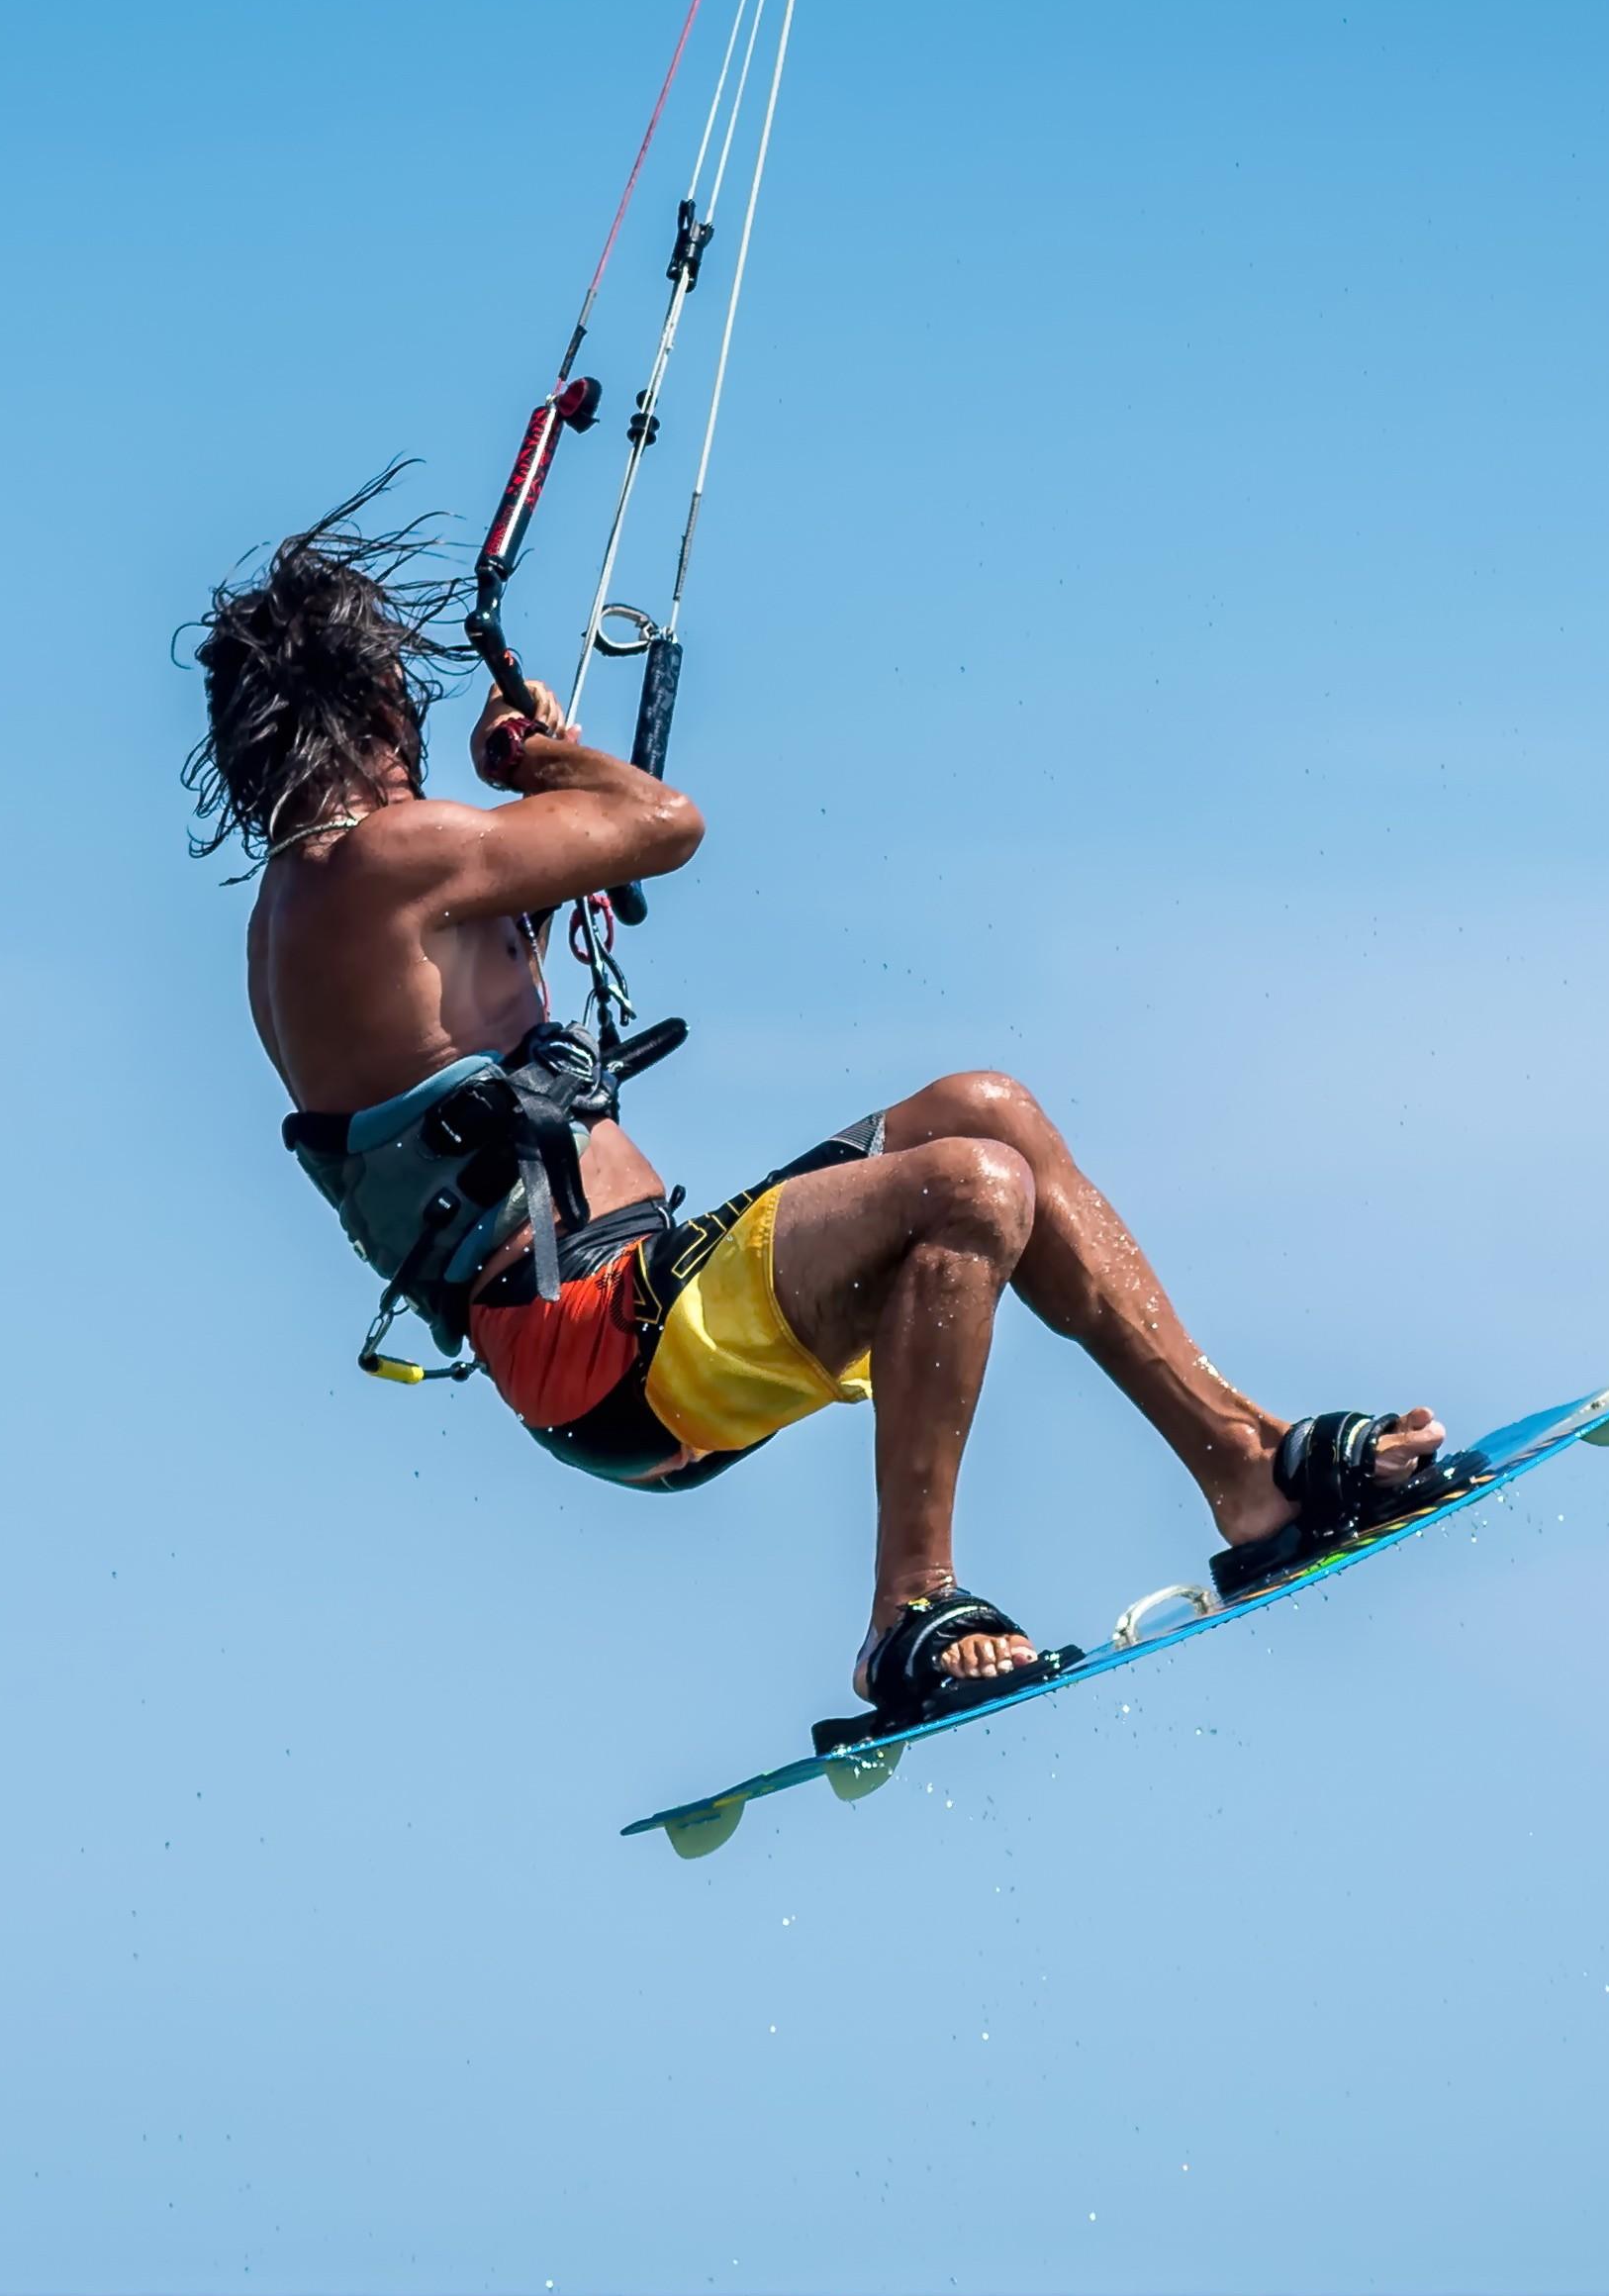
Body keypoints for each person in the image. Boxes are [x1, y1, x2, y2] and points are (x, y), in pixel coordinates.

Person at [184, 498, 1461, 1731]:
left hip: (636, 1316)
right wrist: (540, 763)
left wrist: (531, 799)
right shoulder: (374, 861)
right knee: (970, 1184)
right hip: (599, 1345)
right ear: (369, 716)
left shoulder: (311, 912)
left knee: (985, 1111)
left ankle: (1242, 1462)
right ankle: (911, 1611)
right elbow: (661, 826)